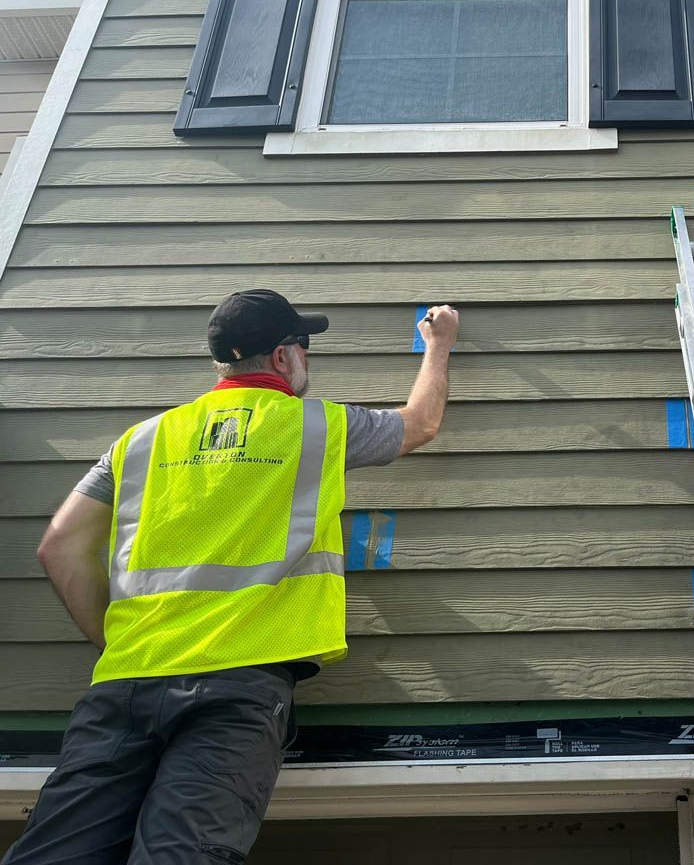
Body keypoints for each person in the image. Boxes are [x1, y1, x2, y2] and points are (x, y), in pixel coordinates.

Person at [3, 290, 460, 865]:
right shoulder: (318, 428)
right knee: (182, 854)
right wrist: (439, 345)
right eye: (305, 347)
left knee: (55, 854)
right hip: (236, 690)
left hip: (127, 681)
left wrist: (119, 645)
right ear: (282, 358)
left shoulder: (142, 440)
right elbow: (419, 423)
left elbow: (60, 548)